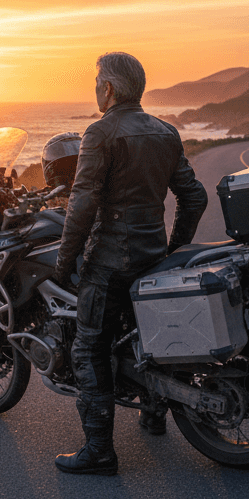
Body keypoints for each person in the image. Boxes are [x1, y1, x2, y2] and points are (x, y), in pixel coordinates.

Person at [51, 52, 208, 475]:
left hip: (110, 263)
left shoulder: (100, 132)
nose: (95, 89)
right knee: (147, 339)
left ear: (109, 88)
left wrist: (65, 262)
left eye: (96, 82)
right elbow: (194, 197)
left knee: (89, 348)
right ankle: (154, 415)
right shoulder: (165, 131)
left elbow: (82, 205)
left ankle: (99, 451)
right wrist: (173, 251)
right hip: (152, 257)